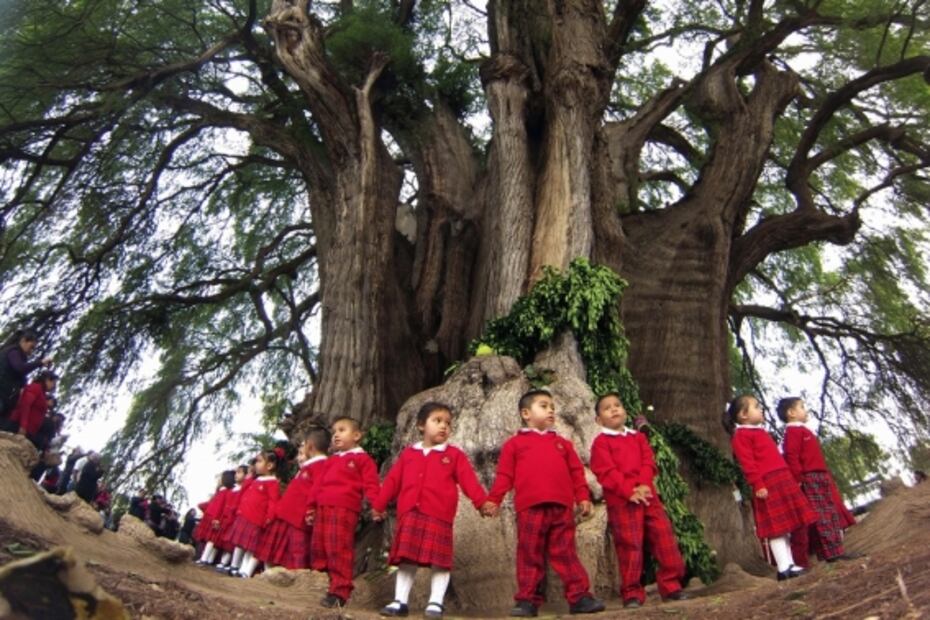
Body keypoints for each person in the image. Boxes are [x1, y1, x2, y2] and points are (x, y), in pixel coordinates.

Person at [481, 389, 605, 617]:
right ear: (526, 413)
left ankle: (580, 597)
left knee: (566, 553)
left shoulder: (563, 444)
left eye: (552, 407)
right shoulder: (514, 444)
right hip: (530, 507)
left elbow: (576, 473)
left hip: (561, 507)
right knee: (529, 553)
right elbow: (505, 476)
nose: (550, 411)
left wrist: (583, 497)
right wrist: (494, 499)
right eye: (544, 406)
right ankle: (527, 601)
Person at [373, 403, 487, 619]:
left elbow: (469, 481)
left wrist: (481, 502)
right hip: (410, 514)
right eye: (437, 421)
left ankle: (435, 602)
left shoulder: (454, 455)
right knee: (406, 559)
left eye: (448, 423)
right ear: (421, 425)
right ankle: (400, 601)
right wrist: (379, 505)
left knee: (440, 560)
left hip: (439, 515)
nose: (444, 426)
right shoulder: (409, 454)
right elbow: (392, 481)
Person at [589, 393, 688, 608]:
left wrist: (643, 485)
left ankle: (671, 586)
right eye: (607, 408)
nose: (614, 409)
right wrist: (629, 491)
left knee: (664, 538)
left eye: (617, 405)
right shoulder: (600, 443)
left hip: (648, 496)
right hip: (622, 501)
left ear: (625, 411)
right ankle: (632, 592)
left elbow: (648, 462)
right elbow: (606, 472)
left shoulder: (638, 437)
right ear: (598, 419)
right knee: (630, 546)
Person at [723, 394, 816, 580]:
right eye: (756, 407)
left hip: (781, 478)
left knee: (786, 525)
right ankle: (783, 568)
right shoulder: (741, 436)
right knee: (776, 528)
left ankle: (790, 563)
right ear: (743, 415)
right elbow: (748, 464)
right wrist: (758, 484)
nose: (761, 409)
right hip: (767, 483)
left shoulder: (760, 432)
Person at [307, 417, 380, 608]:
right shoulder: (331, 460)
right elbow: (318, 485)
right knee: (318, 545)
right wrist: (311, 507)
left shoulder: (363, 459)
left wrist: (377, 506)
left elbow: (371, 485)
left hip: (344, 509)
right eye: (334, 432)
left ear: (356, 435)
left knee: (338, 547)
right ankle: (320, 578)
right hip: (323, 507)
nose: (336, 435)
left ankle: (339, 590)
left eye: (342, 430)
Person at [777, 397, 858, 566]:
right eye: (801, 407)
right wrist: (799, 479)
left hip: (820, 475)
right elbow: (792, 456)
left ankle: (833, 550)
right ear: (791, 413)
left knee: (829, 512)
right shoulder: (793, 432)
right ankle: (832, 552)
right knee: (823, 514)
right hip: (810, 477)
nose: (805, 410)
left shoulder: (803, 430)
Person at [256, 429, 329, 571]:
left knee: (297, 551)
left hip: (299, 517)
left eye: (303, 446)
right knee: (277, 551)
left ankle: (297, 577)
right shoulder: (308, 466)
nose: (298, 456)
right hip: (287, 515)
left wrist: (311, 510)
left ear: (310, 446)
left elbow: (316, 490)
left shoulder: (321, 465)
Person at [226, 451, 281, 578]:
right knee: (240, 543)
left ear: (270, 466)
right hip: (244, 515)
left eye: (260, 461)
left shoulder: (272, 483)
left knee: (251, 547)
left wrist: (269, 517)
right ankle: (234, 566)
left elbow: (273, 502)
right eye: (256, 461)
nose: (256, 464)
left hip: (256, 519)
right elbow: (244, 491)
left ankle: (245, 571)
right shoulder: (256, 480)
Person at [0, 330, 52, 420]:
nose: (31, 352)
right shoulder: (13, 351)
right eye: (31, 347)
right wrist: (40, 362)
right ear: (23, 341)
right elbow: (20, 368)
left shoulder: (17, 355)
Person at [194, 470, 235, 566]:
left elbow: (220, 506)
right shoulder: (224, 491)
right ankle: (208, 559)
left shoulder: (224, 492)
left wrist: (217, 519)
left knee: (211, 540)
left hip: (214, 518)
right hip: (214, 517)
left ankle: (204, 559)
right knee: (211, 540)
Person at [7, 370, 57, 446]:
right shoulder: (35, 387)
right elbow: (25, 405)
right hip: (19, 426)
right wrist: (23, 425)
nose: (54, 386)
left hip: (29, 430)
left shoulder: (43, 394)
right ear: (47, 380)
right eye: (53, 383)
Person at [215, 465, 249, 573]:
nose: (236, 475)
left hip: (235, 518)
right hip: (227, 518)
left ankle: (230, 564)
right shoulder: (232, 489)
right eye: (236, 472)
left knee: (232, 543)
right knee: (226, 542)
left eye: (239, 472)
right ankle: (224, 562)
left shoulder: (243, 489)